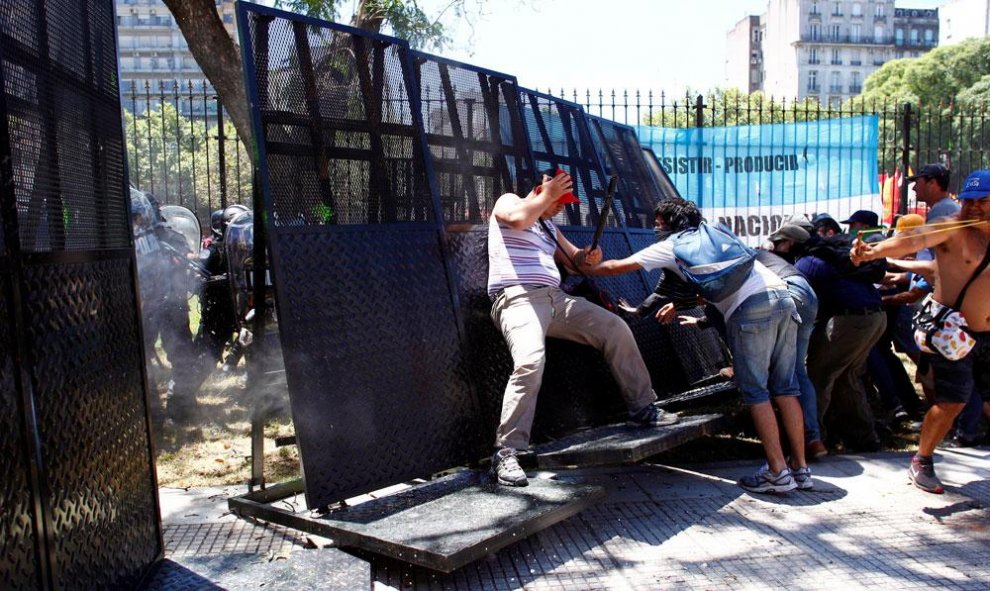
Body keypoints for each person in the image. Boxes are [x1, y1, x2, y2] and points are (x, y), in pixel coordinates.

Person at [589, 197, 809, 493]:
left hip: (751, 308)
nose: (655, 227)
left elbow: (617, 267)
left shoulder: (671, 244)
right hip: (782, 296)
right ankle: (801, 469)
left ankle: (777, 473)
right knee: (786, 388)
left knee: (756, 392)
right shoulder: (715, 231)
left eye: (657, 222)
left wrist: (585, 265)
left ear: (668, 223)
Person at [487, 170, 677, 487]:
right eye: (559, 200)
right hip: (518, 297)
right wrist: (547, 196)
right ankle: (507, 452)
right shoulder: (511, 202)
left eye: (564, 202)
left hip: (557, 299)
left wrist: (587, 256)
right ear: (540, 190)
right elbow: (519, 220)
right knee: (530, 361)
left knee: (615, 327)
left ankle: (643, 407)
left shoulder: (549, 226)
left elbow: (574, 261)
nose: (561, 207)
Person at [851, 169, 990, 493]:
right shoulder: (950, 227)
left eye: (983, 201)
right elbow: (913, 240)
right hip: (954, 334)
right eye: (969, 202)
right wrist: (874, 251)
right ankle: (922, 460)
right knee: (952, 401)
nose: (974, 209)